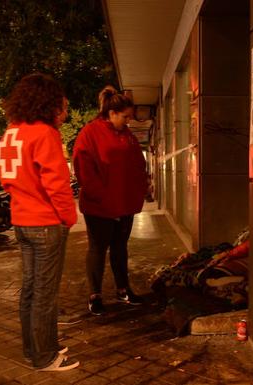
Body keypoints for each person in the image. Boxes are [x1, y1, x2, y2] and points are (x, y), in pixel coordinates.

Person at [0, 73, 79, 371]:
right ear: (47, 102)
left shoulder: (10, 133)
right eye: (62, 105)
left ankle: (35, 349)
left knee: (31, 290)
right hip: (46, 223)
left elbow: (5, 179)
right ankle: (45, 357)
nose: (64, 112)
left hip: (21, 221)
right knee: (45, 294)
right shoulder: (44, 134)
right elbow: (57, 184)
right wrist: (68, 217)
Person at [73, 85, 148, 316]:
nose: (128, 121)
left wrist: (139, 190)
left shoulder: (127, 135)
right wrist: (104, 200)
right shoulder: (90, 133)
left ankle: (123, 289)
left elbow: (138, 165)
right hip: (100, 206)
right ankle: (95, 295)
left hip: (124, 204)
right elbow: (84, 169)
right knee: (97, 249)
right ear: (112, 113)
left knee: (120, 248)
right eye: (125, 117)